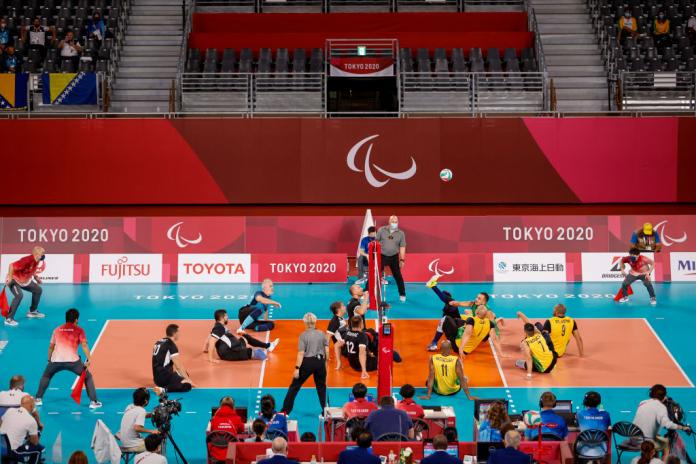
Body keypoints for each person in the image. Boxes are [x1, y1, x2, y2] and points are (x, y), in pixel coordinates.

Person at [35, 308, 101, 408]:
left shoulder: (57, 329)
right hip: (73, 362)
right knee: (87, 377)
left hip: (56, 361)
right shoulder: (79, 330)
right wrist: (90, 359)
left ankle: (38, 399)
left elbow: (51, 347)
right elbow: (84, 346)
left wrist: (49, 360)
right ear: (76, 319)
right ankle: (93, 402)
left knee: (46, 376)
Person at [426, 277, 501, 351]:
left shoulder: (488, 312)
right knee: (451, 306)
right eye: (477, 297)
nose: (476, 299)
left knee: (452, 316)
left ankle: (448, 331)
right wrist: (451, 302)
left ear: (484, 302)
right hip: (472, 325)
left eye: (479, 299)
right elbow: (459, 303)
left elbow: (493, 327)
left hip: (480, 333)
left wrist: (497, 336)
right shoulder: (473, 303)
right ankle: (433, 286)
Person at [281, 313, 329, 415]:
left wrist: (297, 368)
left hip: (307, 362)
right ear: (315, 321)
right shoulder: (321, 333)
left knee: (294, 386)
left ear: (305, 322)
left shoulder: (303, 335)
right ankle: (326, 411)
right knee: (322, 387)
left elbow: (301, 353)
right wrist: (325, 363)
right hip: (320, 362)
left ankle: (285, 411)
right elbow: (326, 350)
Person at [633, 384, 690, 460]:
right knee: (666, 444)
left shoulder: (642, 402)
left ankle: (653, 459)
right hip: (645, 441)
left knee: (658, 436)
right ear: (664, 396)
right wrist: (683, 427)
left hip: (633, 438)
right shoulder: (661, 407)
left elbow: (646, 419)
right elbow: (668, 425)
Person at [205, 309, 278, 363]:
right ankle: (262, 349)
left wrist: (205, 348)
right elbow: (212, 341)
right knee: (256, 353)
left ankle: (268, 346)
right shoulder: (219, 328)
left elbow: (210, 336)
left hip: (233, 346)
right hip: (229, 353)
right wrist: (211, 359)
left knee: (246, 336)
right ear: (222, 318)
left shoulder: (218, 326)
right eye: (226, 316)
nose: (228, 317)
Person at [517, 305, 584, 357]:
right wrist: (581, 355)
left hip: (550, 352)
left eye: (554, 309)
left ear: (556, 312)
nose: (553, 311)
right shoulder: (571, 321)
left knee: (532, 328)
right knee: (538, 324)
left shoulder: (550, 321)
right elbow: (579, 339)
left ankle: (521, 315)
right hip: (560, 353)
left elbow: (544, 339)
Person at [4, 246, 46, 326]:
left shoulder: (37, 260)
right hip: (14, 280)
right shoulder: (26, 260)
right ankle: (8, 319)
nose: (43, 255)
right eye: (42, 253)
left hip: (24, 281)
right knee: (19, 296)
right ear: (37, 254)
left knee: (38, 290)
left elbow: (32, 270)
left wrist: (36, 278)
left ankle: (32, 311)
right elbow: (11, 266)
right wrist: (9, 278)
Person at [0, 395, 44, 464]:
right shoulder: (31, 421)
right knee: (38, 449)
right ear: (31, 406)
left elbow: (1, 424)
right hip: (13, 451)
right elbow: (34, 443)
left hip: (1, 447)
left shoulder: (9, 410)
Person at [152, 324, 194, 393]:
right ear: (175, 334)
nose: (179, 334)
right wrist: (189, 381)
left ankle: (167, 384)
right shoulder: (171, 345)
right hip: (164, 378)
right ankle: (163, 390)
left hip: (157, 377)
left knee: (185, 374)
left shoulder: (158, 342)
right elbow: (178, 366)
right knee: (187, 385)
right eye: (179, 332)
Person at [376, 215, 407, 302]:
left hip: (394, 257)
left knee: (398, 276)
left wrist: (402, 259)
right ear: (389, 222)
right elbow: (376, 242)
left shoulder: (401, 233)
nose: (394, 223)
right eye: (393, 221)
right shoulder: (381, 230)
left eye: (396, 221)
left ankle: (402, 294)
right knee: (376, 275)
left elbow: (402, 247)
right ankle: (367, 291)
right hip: (382, 256)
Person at [119, 388, 160, 453]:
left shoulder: (130, 406)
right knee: (156, 446)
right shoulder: (141, 411)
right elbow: (137, 428)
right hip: (132, 445)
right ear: (146, 401)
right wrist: (152, 431)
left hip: (124, 442)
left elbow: (138, 415)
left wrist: (151, 414)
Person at [208, 396, 244, 462]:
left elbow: (211, 432)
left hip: (215, 452)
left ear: (220, 406)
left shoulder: (214, 419)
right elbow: (242, 430)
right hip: (231, 453)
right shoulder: (237, 418)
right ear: (233, 406)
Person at [327, 301, 349, 369]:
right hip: (344, 346)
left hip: (347, 341)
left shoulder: (341, 318)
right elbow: (327, 338)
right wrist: (326, 354)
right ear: (339, 309)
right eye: (343, 306)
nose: (345, 307)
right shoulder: (334, 321)